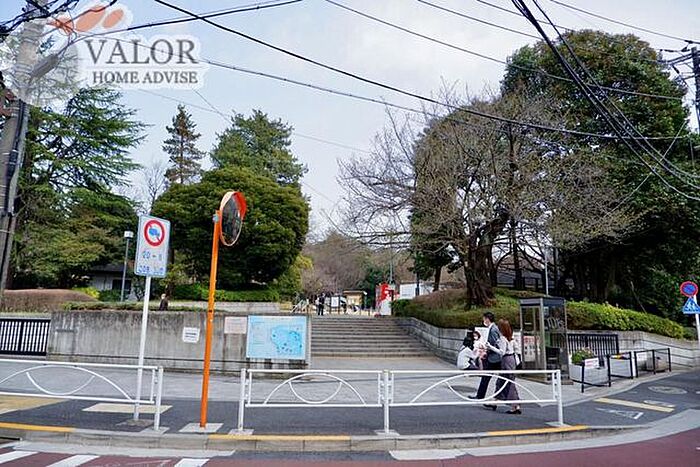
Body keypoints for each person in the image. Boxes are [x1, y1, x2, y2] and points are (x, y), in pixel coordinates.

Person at [487, 319, 522, 414]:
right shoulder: (510, 337)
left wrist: (490, 347)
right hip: (511, 360)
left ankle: (515, 406)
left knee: (508, 382)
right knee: (501, 381)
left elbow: (501, 352)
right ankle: (494, 402)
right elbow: (517, 349)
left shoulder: (503, 338)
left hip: (506, 360)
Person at [472, 312, 502, 406]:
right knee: (492, 378)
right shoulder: (493, 328)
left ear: (487, 319)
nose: (483, 321)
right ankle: (484, 397)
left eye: (484, 319)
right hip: (495, 358)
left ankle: (481, 396)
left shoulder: (493, 330)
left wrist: (487, 349)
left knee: (487, 377)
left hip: (495, 358)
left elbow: (496, 344)